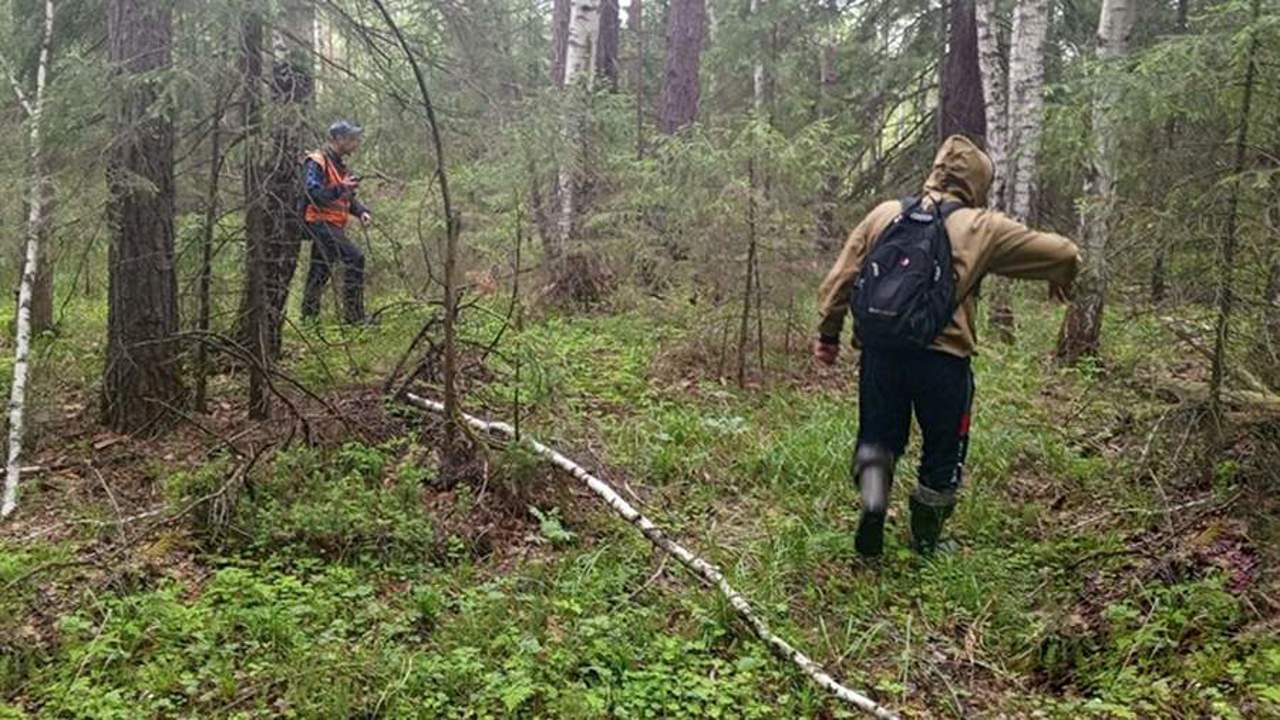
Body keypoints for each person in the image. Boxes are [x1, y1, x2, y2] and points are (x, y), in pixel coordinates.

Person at [813, 134, 1080, 557]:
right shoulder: (981, 226)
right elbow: (1064, 254)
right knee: (943, 449)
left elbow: (841, 278)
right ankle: (926, 541)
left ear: (936, 170)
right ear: (976, 181)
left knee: (877, 441)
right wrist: (1060, 278)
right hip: (944, 362)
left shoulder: (884, 213)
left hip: (881, 356)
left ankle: (872, 517)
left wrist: (828, 335)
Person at [300, 120, 373, 324]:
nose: (356, 143)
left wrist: (361, 212)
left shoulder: (339, 165)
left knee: (320, 269)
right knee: (355, 258)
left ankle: (308, 318)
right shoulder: (317, 161)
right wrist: (341, 187)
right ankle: (354, 318)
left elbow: (346, 198)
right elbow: (313, 193)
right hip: (319, 222)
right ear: (338, 139)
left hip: (330, 223)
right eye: (352, 139)